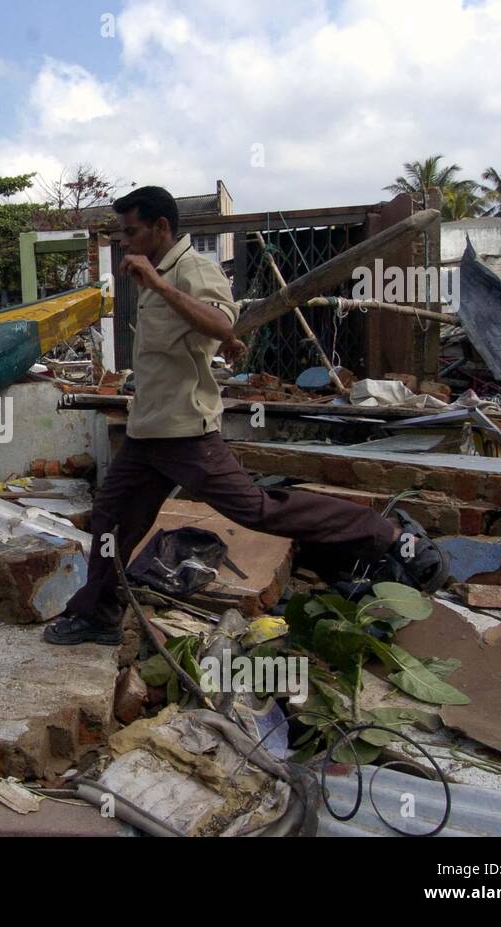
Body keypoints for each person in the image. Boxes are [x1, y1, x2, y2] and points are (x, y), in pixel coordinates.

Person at [43, 186, 449, 646]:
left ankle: (386, 534)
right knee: (112, 519)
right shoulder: (161, 272)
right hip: (147, 432)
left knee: (255, 509)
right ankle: (98, 616)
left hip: (183, 431)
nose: (126, 241)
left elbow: (221, 322)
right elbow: (201, 334)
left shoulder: (192, 270)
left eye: (132, 231)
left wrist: (166, 291)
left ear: (161, 227)